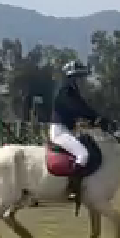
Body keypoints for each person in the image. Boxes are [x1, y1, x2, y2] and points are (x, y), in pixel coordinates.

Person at [49, 61, 101, 201]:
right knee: (83, 155)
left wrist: (98, 118)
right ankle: (71, 189)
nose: (82, 80)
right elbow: (78, 108)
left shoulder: (72, 91)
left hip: (68, 130)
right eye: (80, 76)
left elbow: (83, 107)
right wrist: (95, 117)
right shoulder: (66, 91)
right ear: (72, 77)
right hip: (60, 131)